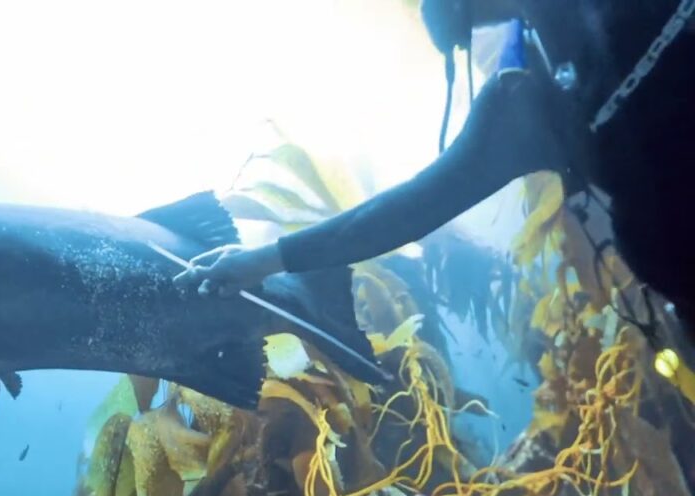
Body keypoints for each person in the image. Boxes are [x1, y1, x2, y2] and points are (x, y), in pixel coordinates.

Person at [174, 0, 695, 337]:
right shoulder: (527, 103)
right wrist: (263, 260)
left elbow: (410, 208)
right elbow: (407, 209)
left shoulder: (529, 103)